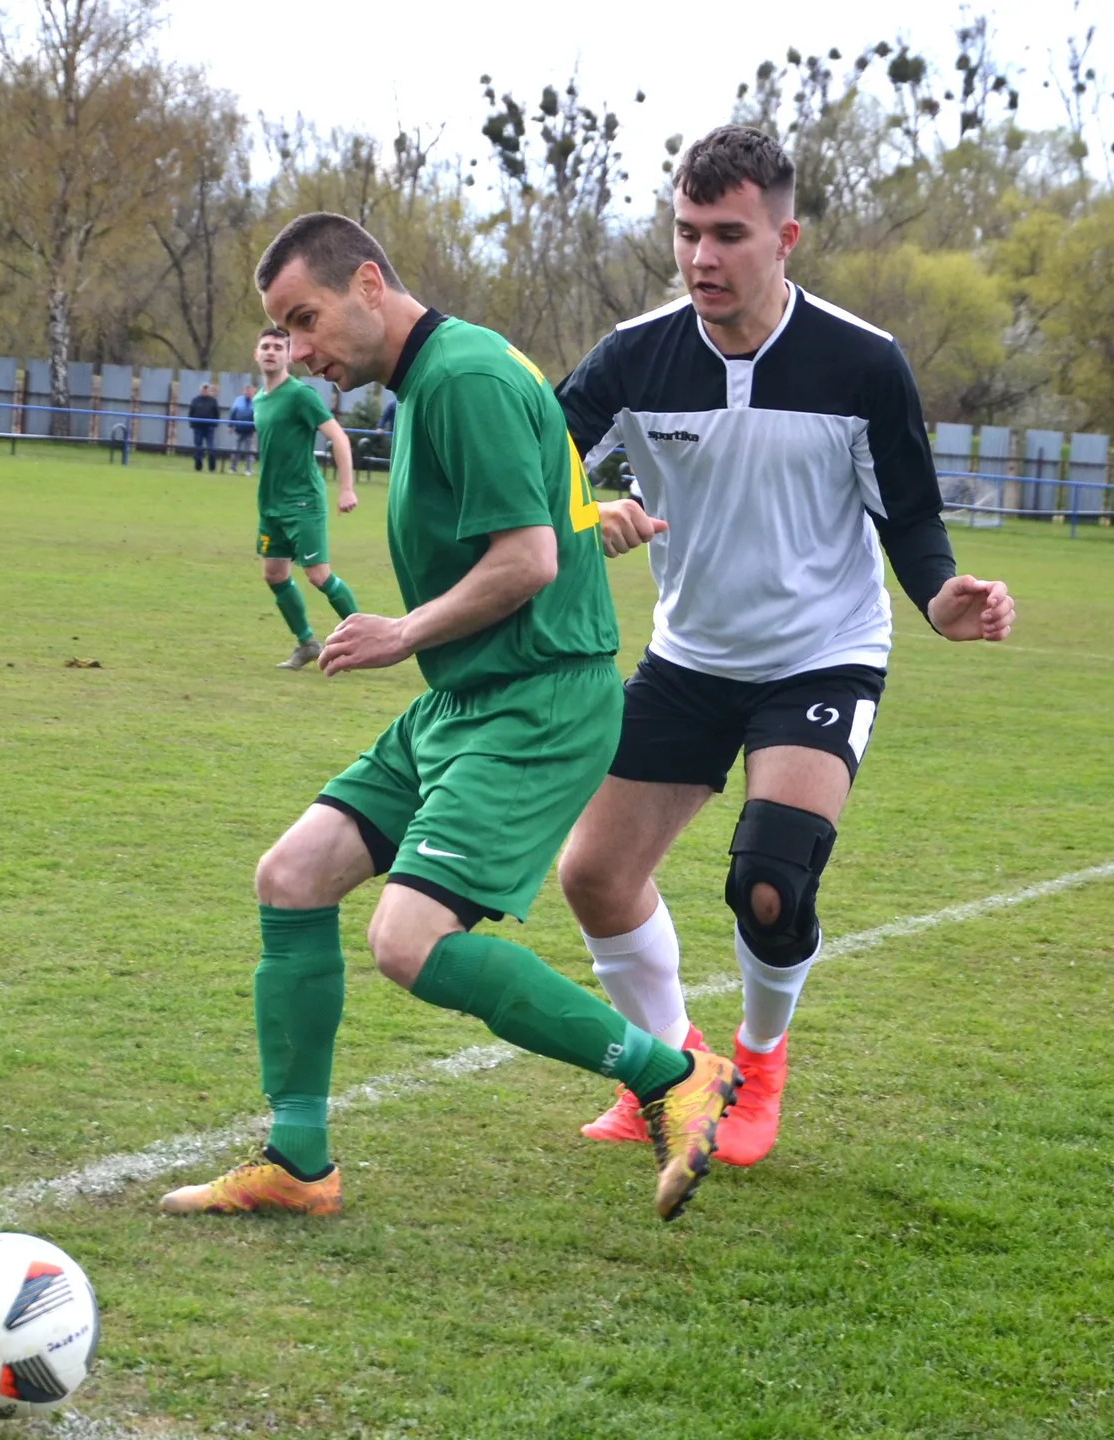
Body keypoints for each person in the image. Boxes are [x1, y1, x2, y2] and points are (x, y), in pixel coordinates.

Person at [159, 213, 742, 1226]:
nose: (299, 350)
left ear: (369, 284)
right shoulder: (450, 373)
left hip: (535, 700)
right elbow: (545, 513)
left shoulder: (464, 377)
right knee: (291, 877)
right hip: (466, 698)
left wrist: (400, 632)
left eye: (306, 319)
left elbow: (526, 562)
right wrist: (586, 521)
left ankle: (671, 1073)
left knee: (408, 939)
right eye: (283, 331)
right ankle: (298, 1162)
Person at [551, 125, 1014, 1168]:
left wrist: (945, 600)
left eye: (729, 234)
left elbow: (911, 519)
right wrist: (585, 514)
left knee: (770, 877)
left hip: (823, 653)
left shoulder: (862, 362)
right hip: (690, 657)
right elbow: (526, 467)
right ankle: (671, 1067)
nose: (702, 258)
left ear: (785, 237)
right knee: (593, 876)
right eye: (686, 234)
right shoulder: (635, 354)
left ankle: (759, 1065)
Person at [251, 327, 360, 669]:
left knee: (318, 575)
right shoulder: (259, 398)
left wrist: (346, 488)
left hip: (302, 503)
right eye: (265, 346)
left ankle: (367, 638)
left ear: (288, 354)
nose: (270, 352)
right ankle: (306, 644)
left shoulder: (300, 395)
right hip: (271, 505)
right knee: (274, 574)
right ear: (257, 354)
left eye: (277, 347)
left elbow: (338, 438)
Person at [188, 382, 221, 472]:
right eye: (203, 389)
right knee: (198, 448)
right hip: (198, 428)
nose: (205, 391)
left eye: (207, 389)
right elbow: (191, 413)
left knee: (211, 448)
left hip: (209, 428)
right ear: (200, 390)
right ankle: (198, 467)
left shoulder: (213, 401)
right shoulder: (195, 400)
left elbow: (217, 414)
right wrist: (192, 424)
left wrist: (214, 424)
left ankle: (212, 468)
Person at [227, 382, 257, 474]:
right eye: (246, 391)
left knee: (249, 451)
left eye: (250, 391)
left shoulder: (256, 402)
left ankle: (248, 469)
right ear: (244, 391)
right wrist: (230, 425)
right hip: (238, 429)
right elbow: (233, 412)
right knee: (236, 450)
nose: (248, 393)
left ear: (253, 392)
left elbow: (259, 415)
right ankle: (233, 468)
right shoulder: (238, 400)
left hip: (250, 431)